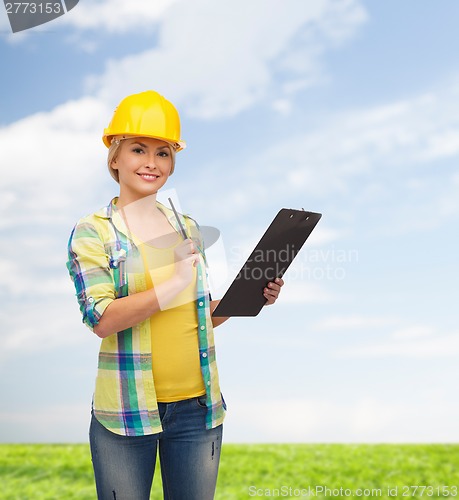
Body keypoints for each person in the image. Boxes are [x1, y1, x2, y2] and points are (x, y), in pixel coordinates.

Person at [66, 90, 284, 500]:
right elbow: (102, 319)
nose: (151, 162)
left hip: (199, 410)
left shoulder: (188, 228)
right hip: (127, 416)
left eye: (163, 153)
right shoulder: (94, 230)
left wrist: (251, 297)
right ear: (114, 158)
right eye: (138, 149)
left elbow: (198, 316)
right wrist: (169, 286)